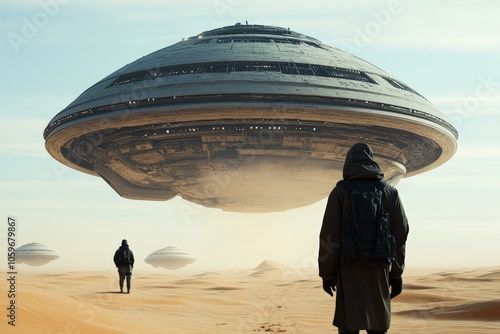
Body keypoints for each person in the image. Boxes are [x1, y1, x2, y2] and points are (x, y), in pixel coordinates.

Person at [318, 143, 409, 334]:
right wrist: (396, 273)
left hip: (348, 269)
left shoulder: (341, 192)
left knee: (348, 326)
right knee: (377, 327)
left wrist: (327, 273)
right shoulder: (389, 192)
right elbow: (401, 233)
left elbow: (330, 235)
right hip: (379, 269)